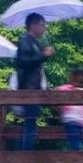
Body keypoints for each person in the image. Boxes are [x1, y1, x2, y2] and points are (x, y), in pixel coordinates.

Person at [15, 12, 54, 151]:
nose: (44, 28)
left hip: (34, 88)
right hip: (28, 88)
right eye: (42, 25)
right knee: (30, 126)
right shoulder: (25, 40)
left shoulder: (35, 42)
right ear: (33, 25)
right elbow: (23, 62)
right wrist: (43, 55)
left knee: (30, 126)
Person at [56, 67, 83, 151]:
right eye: (77, 77)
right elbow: (57, 91)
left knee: (76, 145)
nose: (80, 79)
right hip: (71, 120)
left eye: (82, 77)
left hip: (81, 122)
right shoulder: (67, 89)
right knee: (77, 146)